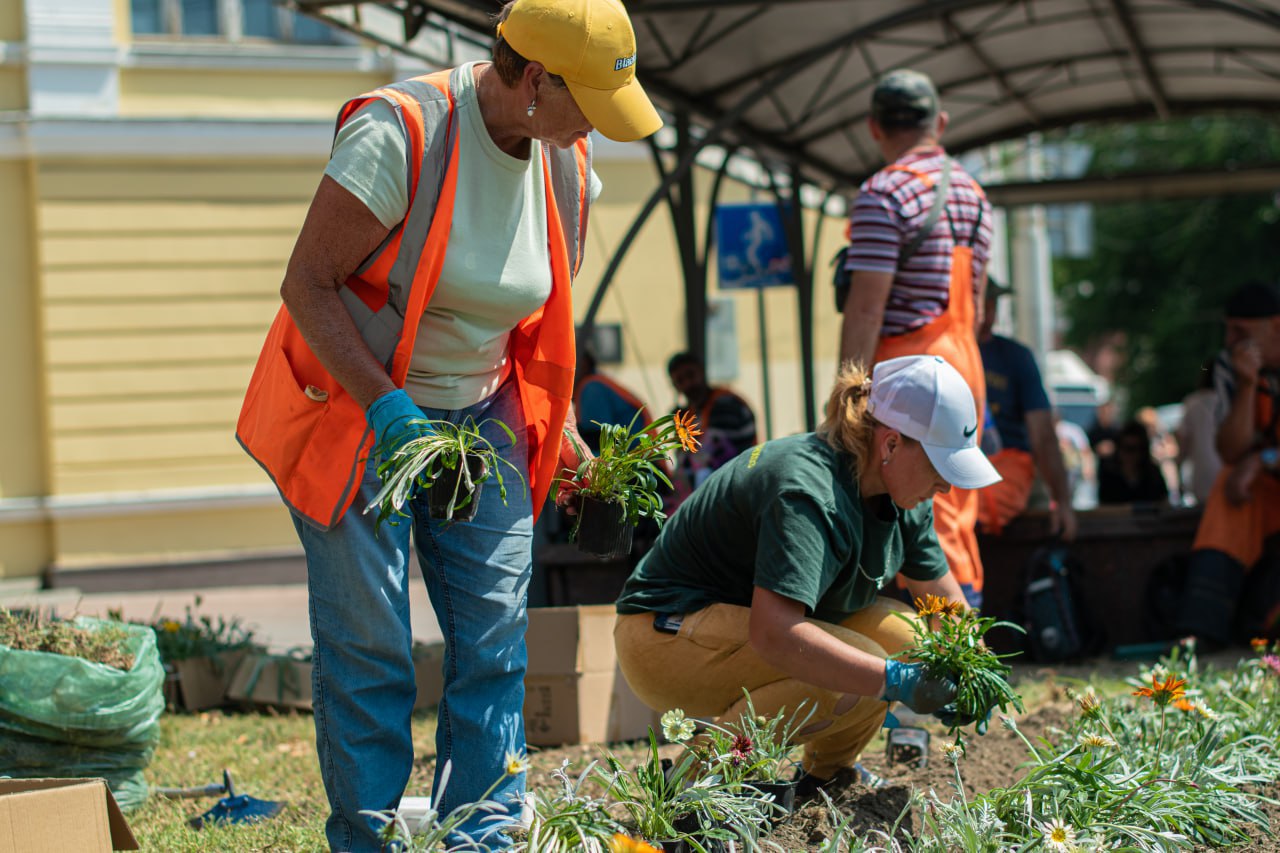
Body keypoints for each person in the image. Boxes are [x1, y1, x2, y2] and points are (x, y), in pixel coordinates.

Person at [234, 0, 662, 848]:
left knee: (498, 636)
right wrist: (388, 405)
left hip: (485, 412)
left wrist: (562, 422)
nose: (598, 129)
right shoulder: (403, 133)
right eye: (588, 102)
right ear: (535, 80)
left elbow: (528, 315)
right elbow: (308, 285)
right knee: (371, 648)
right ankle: (370, 836)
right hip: (362, 410)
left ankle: (483, 833)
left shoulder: (566, 162)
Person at [615, 355, 1000, 795]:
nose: (947, 486)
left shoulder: (902, 495)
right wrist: (895, 680)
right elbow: (776, 635)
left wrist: (974, 669)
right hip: (664, 635)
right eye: (939, 466)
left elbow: (945, 605)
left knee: (910, 642)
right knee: (853, 671)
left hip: (736, 629)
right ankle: (691, 789)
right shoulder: (806, 491)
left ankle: (827, 777)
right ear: (890, 445)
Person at [837, 68, 994, 607]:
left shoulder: (883, 194)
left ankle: (946, 659)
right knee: (953, 510)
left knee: (914, 510)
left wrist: (844, 398)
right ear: (940, 124)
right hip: (963, 368)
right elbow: (976, 308)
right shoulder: (976, 196)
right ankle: (962, 638)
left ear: (874, 128)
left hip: (910, 378)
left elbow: (864, 309)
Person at [1175, 281, 1280, 646]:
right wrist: (1248, 386)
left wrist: (1264, 460)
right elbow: (1231, 452)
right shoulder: (1229, 365)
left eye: (1242, 331)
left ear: (1276, 327)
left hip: (1268, 469)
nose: (1231, 339)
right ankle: (1202, 629)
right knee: (1228, 489)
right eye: (1228, 328)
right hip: (1264, 487)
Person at [975, 280, 1078, 540]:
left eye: (993, 303)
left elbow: (1042, 433)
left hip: (1011, 467)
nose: (989, 311)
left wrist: (1061, 501)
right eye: (984, 302)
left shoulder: (1014, 356)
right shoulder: (947, 350)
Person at [666, 351, 757, 490]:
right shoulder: (690, 414)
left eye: (691, 375)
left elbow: (714, 456)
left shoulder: (725, 404)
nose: (688, 384)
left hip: (739, 481)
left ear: (702, 372)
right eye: (680, 381)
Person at [573, 347, 651, 455]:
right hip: (641, 458)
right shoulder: (597, 384)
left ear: (583, 364)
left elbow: (599, 440)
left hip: (639, 463)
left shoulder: (592, 388)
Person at [1176, 361, 1223, 505]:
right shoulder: (1231, 400)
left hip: (1202, 474)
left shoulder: (1192, 403)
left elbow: (1184, 442)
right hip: (1226, 472)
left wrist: (1178, 472)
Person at [1097, 420, 1171, 505]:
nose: (1133, 455)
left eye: (1140, 448)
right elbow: (1104, 508)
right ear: (1119, 448)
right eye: (1128, 448)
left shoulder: (1153, 474)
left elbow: (1164, 503)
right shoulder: (1109, 476)